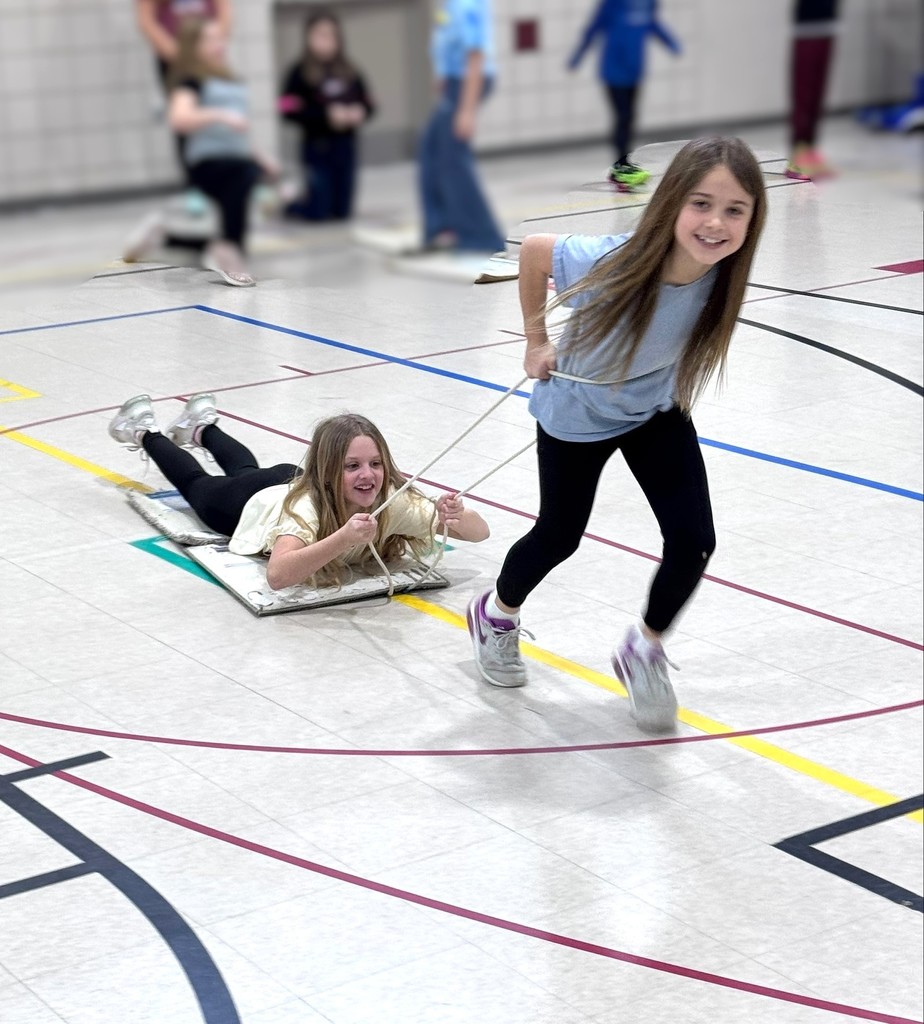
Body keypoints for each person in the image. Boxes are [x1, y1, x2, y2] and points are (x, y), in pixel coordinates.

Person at [466, 136, 768, 731]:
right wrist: (535, 339)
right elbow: (533, 251)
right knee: (559, 535)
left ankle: (643, 648)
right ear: (673, 203)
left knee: (694, 540)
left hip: (653, 408)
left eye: (735, 210)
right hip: (577, 414)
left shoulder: (723, 275)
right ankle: (496, 615)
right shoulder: (616, 258)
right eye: (702, 204)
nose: (716, 223)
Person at [108, 394, 490, 589]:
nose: (368, 475)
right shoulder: (307, 507)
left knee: (246, 468)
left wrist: (457, 515)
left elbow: (479, 533)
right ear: (328, 471)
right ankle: (142, 431)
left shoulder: (391, 499)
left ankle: (201, 428)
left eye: (375, 464)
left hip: (286, 479)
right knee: (198, 485)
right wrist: (343, 538)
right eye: (352, 466)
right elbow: (279, 575)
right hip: (247, 505)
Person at [418, 0, 506, 253]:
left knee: (453, 159)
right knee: (431, 149)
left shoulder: (466, 4)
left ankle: (481, 236)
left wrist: (466, 111)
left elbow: (475, 54)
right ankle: (442, 227)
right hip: (454, 82)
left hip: (466, 81)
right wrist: (442, 76)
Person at [568, 0, 681, 190]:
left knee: (630, 117)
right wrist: (577, 56)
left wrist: (671, 43)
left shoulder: (648, 3)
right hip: (613, 70)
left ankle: (624, 162)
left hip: (634, 71)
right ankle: (619, 167)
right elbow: (595, 26)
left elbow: (653, 24)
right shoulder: (613, 2)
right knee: (623, 116)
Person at [279, 9, 375, 222]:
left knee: (342, 212)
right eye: (320, 35)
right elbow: (286, 109)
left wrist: (359, 112)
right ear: (309, 38)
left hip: (345, 143)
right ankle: (290, 204)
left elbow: (369, 103)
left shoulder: (349, 71)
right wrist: (325, 115)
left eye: (331, 35)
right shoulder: (299, 72)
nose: (326, 41)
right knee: (318, 212)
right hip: (317, 145)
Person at [786, 0, 841, 180]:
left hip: (827, 21)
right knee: (805, 92)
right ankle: (799, 153)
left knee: (818, 94)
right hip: (808, 24)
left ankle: (809, 151)